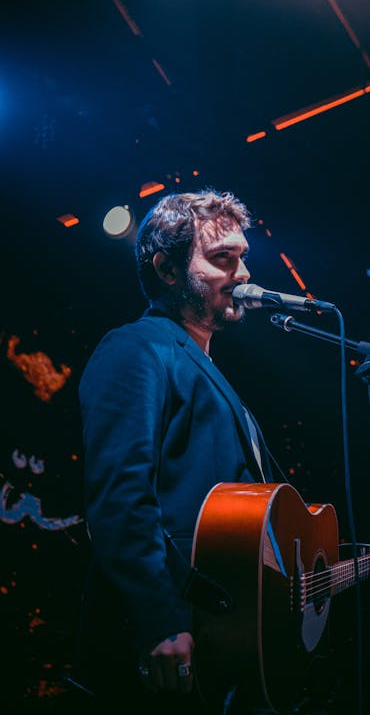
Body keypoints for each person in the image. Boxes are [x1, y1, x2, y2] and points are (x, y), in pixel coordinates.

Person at [70, 189, 275, 714]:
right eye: (222, 258)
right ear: (167, 270)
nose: (244, 273)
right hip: (171, 643)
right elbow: (119, 498)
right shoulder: (135, 348)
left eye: (243, 257)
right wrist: (159, 617)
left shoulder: (204, 369)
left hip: (220, 640)